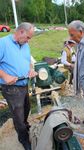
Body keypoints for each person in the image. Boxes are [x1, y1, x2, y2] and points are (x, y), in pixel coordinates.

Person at [0, 22, 37, 150]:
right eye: (28, 37)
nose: (28, 41)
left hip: (23, 84)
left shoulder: (25, 45)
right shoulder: (3, 43)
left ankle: (24, 126)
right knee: (18, 115)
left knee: (26, 108)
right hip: (11, 88)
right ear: (21, 32)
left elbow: (28, 62)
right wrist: (4, 76)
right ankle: (23, 138)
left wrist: (31, 70)